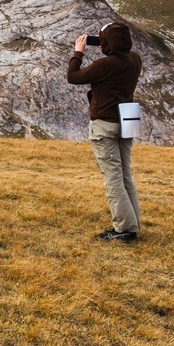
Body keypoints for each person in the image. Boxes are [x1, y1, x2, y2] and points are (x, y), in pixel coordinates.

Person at [67, 22, 142, 242]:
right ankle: (132, 223)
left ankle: (124, 230)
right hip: (127, 120)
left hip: (105, 123)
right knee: (125, 174)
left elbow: (73, 77)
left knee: (113, 178)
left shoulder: (106, 64)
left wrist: (78, 53)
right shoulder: (134, 59)